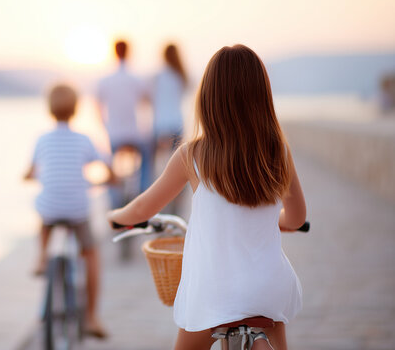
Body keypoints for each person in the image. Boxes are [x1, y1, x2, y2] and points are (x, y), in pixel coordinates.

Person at [108, 45, 306, 350]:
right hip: (269, 288)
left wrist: (117, 217)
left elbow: (144, 207)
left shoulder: (192, 154)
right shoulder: (278, 151)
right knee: (275, 328)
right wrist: (278, 221)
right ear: (262, 96)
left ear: (208, 97)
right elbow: (296, 218)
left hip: (215, 292)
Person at [24, 84, 110, 338]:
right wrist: (112, 177)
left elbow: (32, 170)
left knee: (45, 215)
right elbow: (105, 163)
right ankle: (92, 317)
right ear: (75, 109)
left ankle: (41, 256)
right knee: (92, 253)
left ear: (49, 109)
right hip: (77, 209)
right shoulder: (83, 139)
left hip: (50, 207)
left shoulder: (42, 139)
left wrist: (28, 175)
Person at [96, 40, 150, 206]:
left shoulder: (106, 80)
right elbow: (147, 101)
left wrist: (105, 125)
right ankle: (143, 193)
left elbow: (97, 105)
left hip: (114, 134)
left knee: (110, 165)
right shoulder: (135, 79)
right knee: (146, 158)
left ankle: (115, 200)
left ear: (114, 53)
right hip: (133, 133)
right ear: (128, 53)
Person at [150, 43, 189, 152]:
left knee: (154, 159)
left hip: (160, 123)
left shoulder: (158, 76)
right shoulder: (181, 75)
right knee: (176, 157)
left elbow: (149, 97)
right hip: (176, 122)